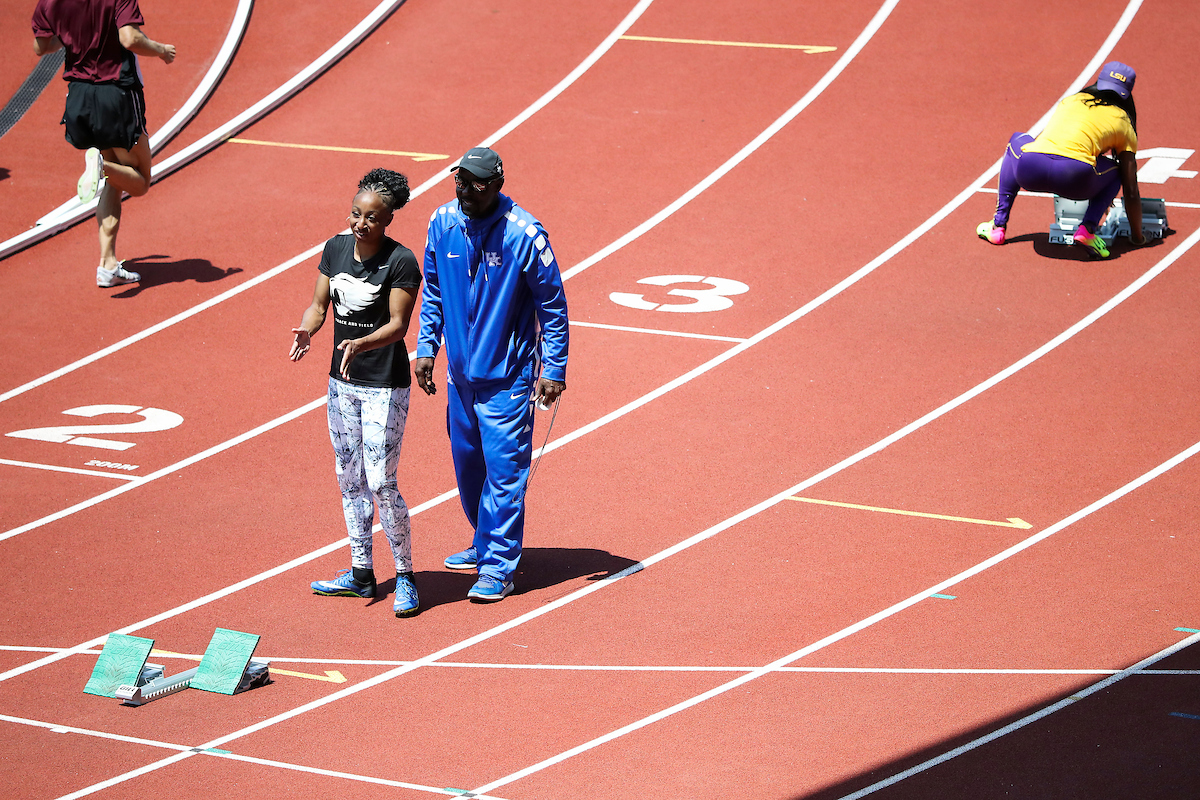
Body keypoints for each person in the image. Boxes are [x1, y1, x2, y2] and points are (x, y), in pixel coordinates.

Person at [414, 147, 569, 603]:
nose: (462, 190)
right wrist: (426, 347)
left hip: (508, 380)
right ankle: (484, 541)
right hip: (460, 378)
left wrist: (553, 368)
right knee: (469, 470)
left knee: (504, 475)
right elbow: (435, 289)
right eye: (458, 181)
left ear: (496, 186)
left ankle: (498, 567)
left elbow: (553, 307)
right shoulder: (442, 223)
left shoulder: (525, 234)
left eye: (474, 184)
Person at [290, 169, 423, 618]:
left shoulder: (401, 261)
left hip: (383, 385)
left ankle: (405, 575)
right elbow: (318, 305)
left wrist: (359, 343)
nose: (359, 223)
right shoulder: (334, 249)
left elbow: (399, 326)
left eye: (370, 217)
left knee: (381, 482)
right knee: (349, 479)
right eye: (355, 213)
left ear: (387, 220)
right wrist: (308, 330)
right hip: (340, 383)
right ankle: (361, 572)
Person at [31, 0, 176, 288]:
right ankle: (100, 165)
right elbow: (129, 38)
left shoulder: (50, 2)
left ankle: (107, 265)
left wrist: (74, 35)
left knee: (115, 182)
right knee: (141, 180)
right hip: (117, 95)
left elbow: (42, 46)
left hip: (79, 98)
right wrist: (161, 50)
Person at [978, 61, 1146, 258]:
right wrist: (1137, 237)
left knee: (1016, 140)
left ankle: (998, 226)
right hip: (1075, 179)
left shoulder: (1070, 101)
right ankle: (1087, 230)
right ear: (1127, 94)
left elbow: (1055, 144)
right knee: (1118, 172)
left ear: (1099, 82)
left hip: (1030, 170)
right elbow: (1131, 189)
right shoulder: (1123, 122)